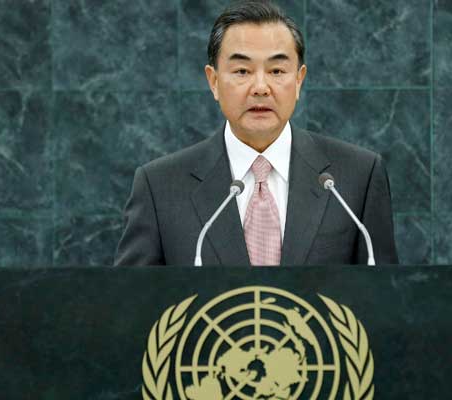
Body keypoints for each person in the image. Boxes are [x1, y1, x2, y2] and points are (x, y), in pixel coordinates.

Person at [114, 0, 398, 266]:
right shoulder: (159, 187)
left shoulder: (356, 178)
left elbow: (383, 299)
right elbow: (133, 305)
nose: (260, 87)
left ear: (299, 80)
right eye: (242, 71)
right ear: (213, 82)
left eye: (276, 71)